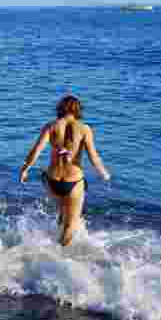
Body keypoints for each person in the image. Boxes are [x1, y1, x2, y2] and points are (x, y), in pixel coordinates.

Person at [19, 95, 111, 246]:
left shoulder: (51, 126)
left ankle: (56, 231)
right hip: (73, 182)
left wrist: (25, 169)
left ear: (60, 108)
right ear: (78, 110)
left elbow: (36, 150)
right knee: (71, 225)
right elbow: (93, 157)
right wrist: (104, 174)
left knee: (63, 211)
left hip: (52, 181)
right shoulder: (84, 129)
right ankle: (59, 253)